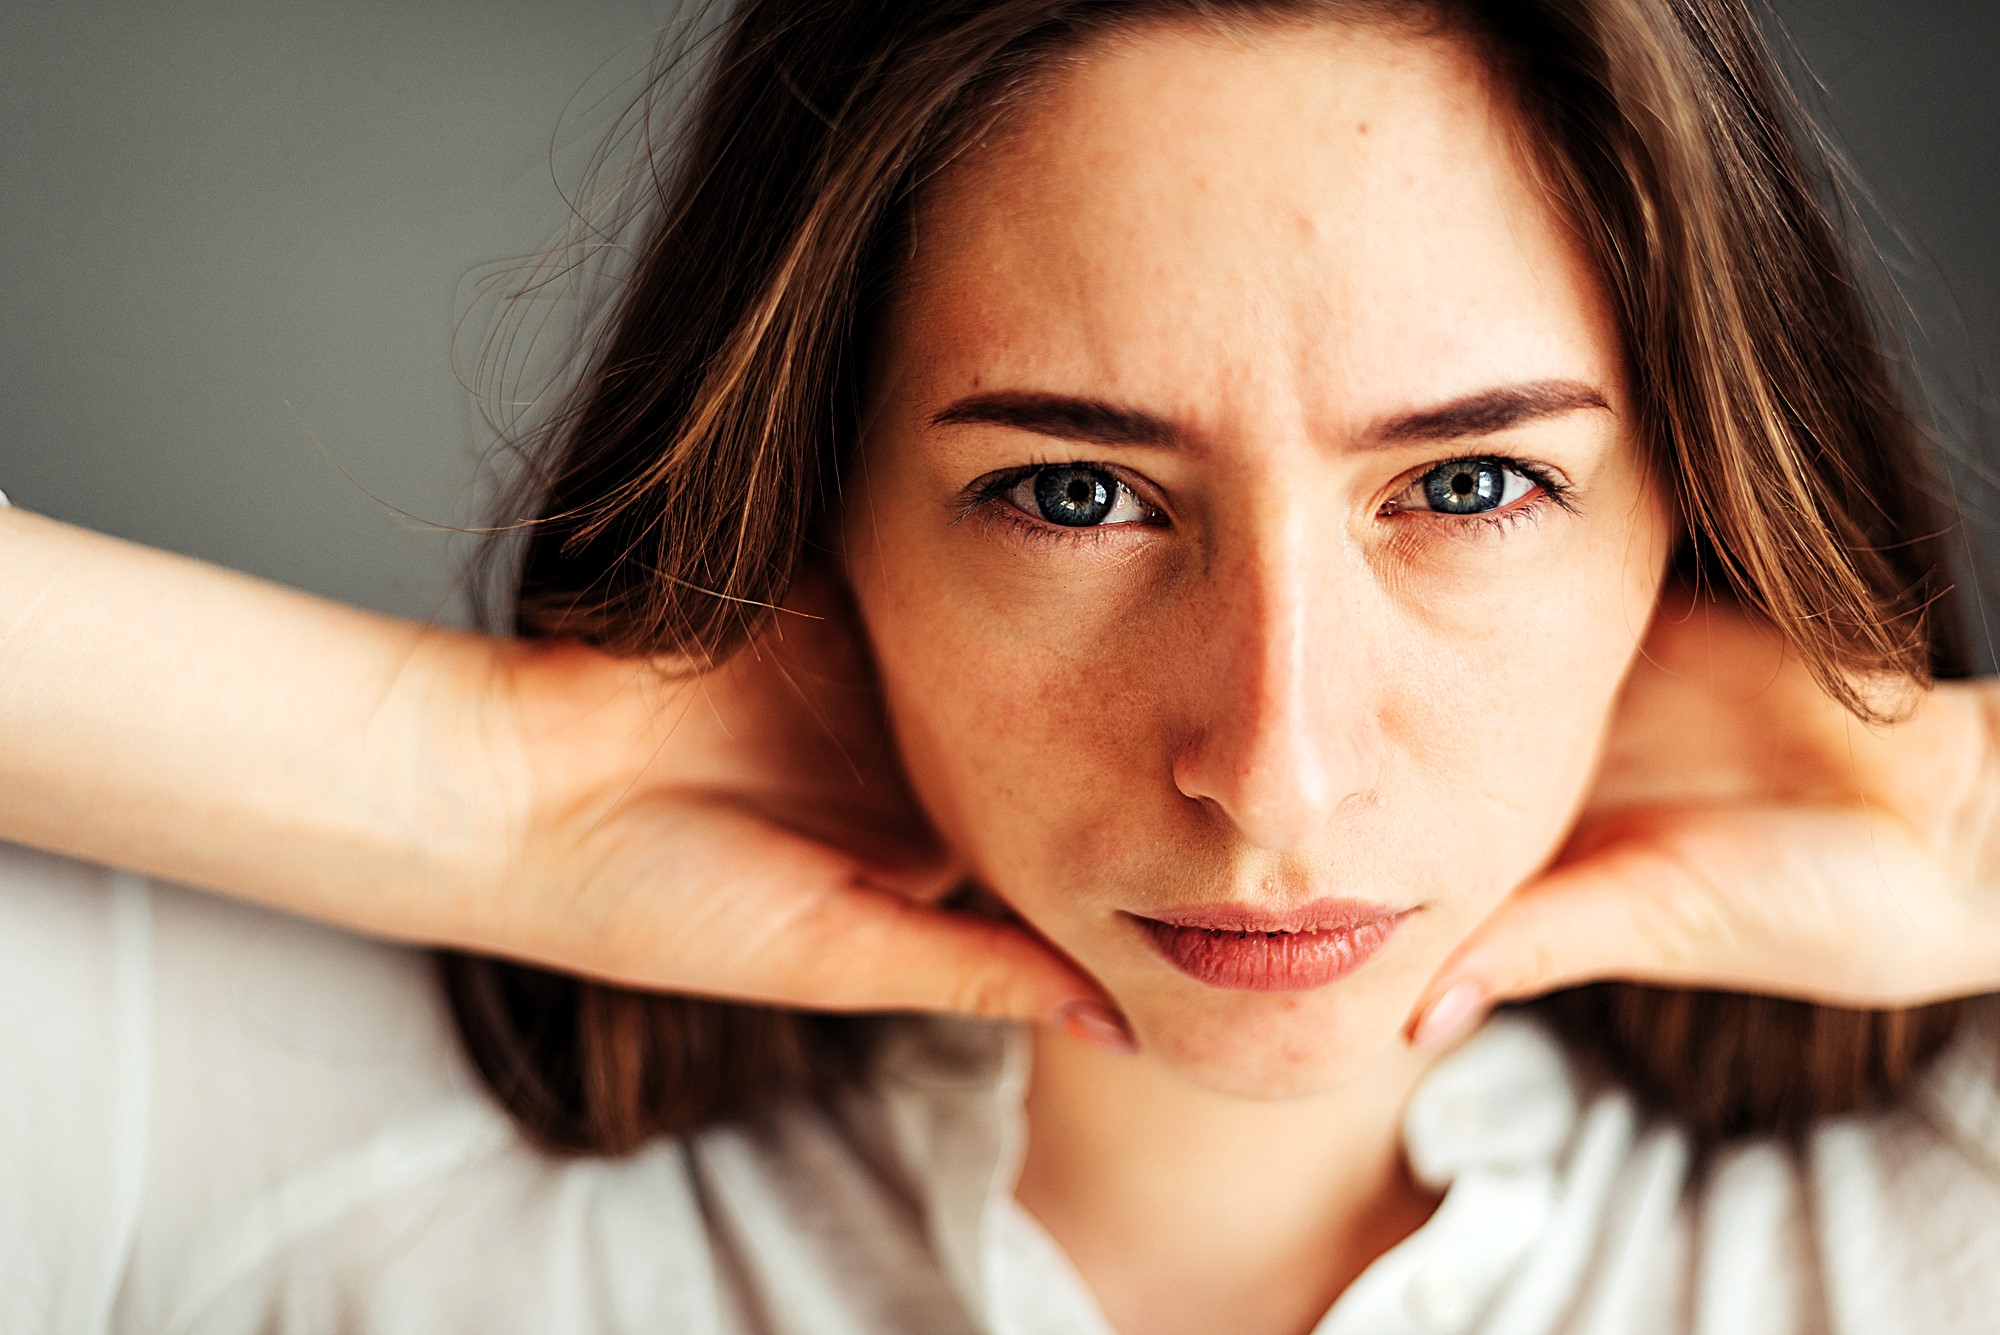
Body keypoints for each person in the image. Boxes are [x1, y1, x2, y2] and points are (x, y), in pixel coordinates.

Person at [4, 0, 1999, 1331]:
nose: (1274, 767)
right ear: (822, 511)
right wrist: (480, 785)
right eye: (1071, 493)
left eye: (1467, 482)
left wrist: (1952, 812)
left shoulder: (1934, 1209)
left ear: (1689, 514)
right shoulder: (314, 1144)